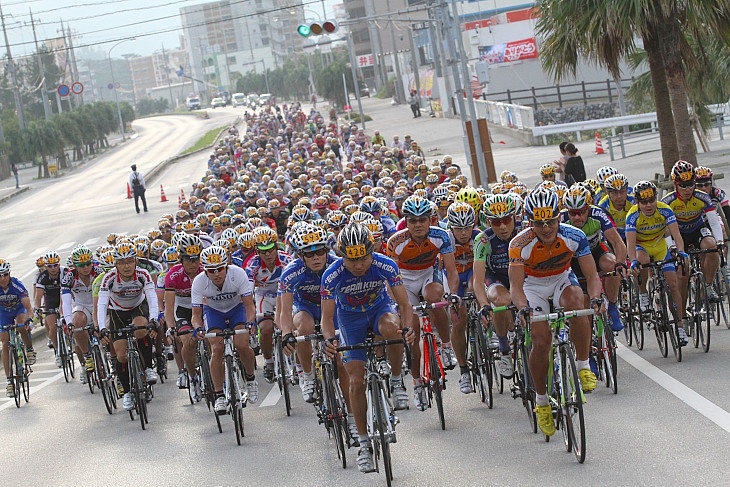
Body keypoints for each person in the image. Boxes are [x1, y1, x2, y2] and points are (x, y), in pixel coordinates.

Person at [508, 188, 604, 437]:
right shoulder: (519, 244)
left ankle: (583, 365)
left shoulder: (575, 235)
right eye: (539, 223)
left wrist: (595, 298)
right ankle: (541, 402)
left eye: (550, 220)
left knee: (577, 302)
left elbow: (592, 276)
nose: (546, 228)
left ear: (559, 217)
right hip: (533, 287)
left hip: (562, 279)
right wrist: (523, 309)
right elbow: (516, 288)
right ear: (529, 222)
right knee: (541, 340)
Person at [322, 223, 414, 473]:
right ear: (341, 256)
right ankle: (363, 445)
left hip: (379, 310)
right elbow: (327, 317)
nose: (359, 265)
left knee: (392, 330)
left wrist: (406, 328)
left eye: (363, 257)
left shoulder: (385, 264)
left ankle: (396, 381)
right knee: (356, 381)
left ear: (371, 251)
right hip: (349, 319)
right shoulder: (331, 275)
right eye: (351, 261)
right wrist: (330, 340)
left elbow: (404, 305)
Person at [191, 246, 258, 413]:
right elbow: (195, 314)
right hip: (214, 312)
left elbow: (249, 306)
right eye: (211, 270)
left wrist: (250, 323)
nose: (217, 274)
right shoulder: (199, 281)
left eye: (220, 268)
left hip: (237, 309)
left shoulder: (238, 274)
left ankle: (250, 378)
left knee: (242, 344)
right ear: (205, 270)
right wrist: (198, 328)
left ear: (227, 265)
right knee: (217, 349)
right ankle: (219, 394)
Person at [0, 259, 36, 398]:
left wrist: (30, 319)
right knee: (5, 342)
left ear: (9, 274)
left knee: (22, 325)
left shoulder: (17, 285)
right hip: (3, 313)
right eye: (0, 276)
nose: (3, 278)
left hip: (18, 309)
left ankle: (30, 349)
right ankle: (9, 381)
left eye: (5, 274)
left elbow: (28, 307)